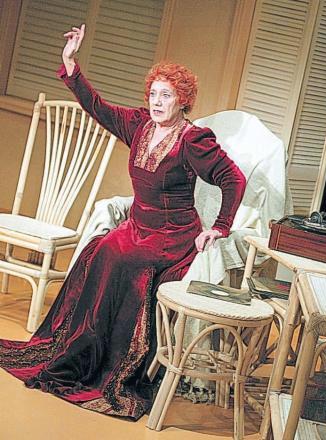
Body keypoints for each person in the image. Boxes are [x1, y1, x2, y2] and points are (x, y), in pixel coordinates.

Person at [0, 24, 246, 419]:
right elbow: (97, 106)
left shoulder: (193, 140)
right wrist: (71, 65)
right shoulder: (138, 125)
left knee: (120, 259)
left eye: (166, 95)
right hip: (138, 227)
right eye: (153, 94)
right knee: (98, 250)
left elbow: (233, 179)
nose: (157, 102)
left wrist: (218, 227)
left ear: (183, 100)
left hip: (172, 235)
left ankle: (112, 365)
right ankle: (77, 350)